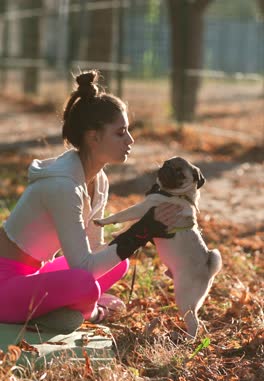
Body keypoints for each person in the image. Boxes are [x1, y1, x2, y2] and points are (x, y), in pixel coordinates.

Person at [0, 70, 180, 334]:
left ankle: (60, 309)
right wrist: (141, 232)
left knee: (118, 262)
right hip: (5, 284)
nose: (130, 140)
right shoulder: (62, 187)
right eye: (120, 133)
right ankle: (88, 311)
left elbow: (95, 248)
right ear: (93, 137)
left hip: (35, 275)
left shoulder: (99, 180)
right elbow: (82, 268)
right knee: (85, 284)